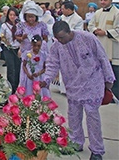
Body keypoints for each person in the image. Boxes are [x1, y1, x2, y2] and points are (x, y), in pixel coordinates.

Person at [40, 21, 115, 160]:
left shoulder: (87, 38)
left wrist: (108, 79)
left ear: (69, 31)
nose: (60, 41)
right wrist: (46, 79)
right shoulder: (57, 46)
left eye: (62, 37)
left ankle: (97, 151)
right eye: (57, 38)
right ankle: (75, 142)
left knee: (92, 117)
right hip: (72, 85)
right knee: (73, 116)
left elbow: (102, 57)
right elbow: (52, 64)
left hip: (93, 83)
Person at [88, 0, 119, 100]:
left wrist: (105, 32)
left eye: (105, 0)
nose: (102, 2)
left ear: (110, 0)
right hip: (99, 44)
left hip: (112, 47)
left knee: (113, 72)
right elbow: (90, 25)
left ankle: (114, 96)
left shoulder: (117, 13)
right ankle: (101, 94)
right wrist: (94, 30)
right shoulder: (97, 12)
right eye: (101, 0)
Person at [0, 7, 21, 93]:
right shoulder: (4, 25)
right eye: (10, 15)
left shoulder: (19, 25)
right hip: (8, 49)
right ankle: (11, 88)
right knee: (11, 68)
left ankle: (17, 86)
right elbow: (1, 36)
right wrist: (6, 41)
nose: (12, 17)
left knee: (18, 68)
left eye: (14, 15)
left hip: (18, 49)